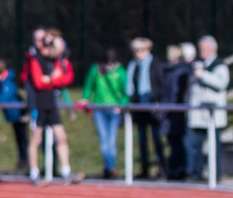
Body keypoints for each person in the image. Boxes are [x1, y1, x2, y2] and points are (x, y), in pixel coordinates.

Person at [24, 29, 82, 185]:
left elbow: (65, 79)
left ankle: (66, 171)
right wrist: (51, 79)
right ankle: (34, 173)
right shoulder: (35, 59)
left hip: (52, 104)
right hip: (38, 104)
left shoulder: (57, 60)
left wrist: (49, 79)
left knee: (61, 137)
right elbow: (38, 82)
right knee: (35, 139)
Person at [76, 48, 128, 179]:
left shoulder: (121, 72)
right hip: (99, 109)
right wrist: (85, 98)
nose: (109, 66)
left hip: (114, 110)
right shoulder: (96, 70)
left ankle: (109, 167)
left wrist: (121, 106)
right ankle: (111, 167)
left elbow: (127, 92)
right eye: (107, 63)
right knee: (104, 140)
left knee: (111, 141)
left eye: (112, 63)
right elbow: (88, 86)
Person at [185, 35, 230, 182]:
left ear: (212, 49)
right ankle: (195, 174)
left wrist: (203, 75)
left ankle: (215, 175)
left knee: (214, 148)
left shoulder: (220, 65)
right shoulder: (198, 64)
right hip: (197, 115)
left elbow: (221, 84)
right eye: (200, 48)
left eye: (204, 48)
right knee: (194, 147)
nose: (201, 51)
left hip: (212, 116)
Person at [124, 37, 166, 179]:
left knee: (156, 139)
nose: (138, 53)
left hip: (153, 106)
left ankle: (162, 168)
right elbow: (129, 86)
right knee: (142, 140)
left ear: (148, 49)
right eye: (136, 50)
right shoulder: (133, 65)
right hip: (138, 106)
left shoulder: (156, 64)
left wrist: (157, 100)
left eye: (141, 50)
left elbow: (161, 84)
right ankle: (144, 168)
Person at [161, 44, 193, 180]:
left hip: (178, 110)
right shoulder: (165, 69)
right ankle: (173, 168)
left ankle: (181, 168)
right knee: (171, 140)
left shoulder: (183, 70)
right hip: (167, 109)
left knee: (179, 140)